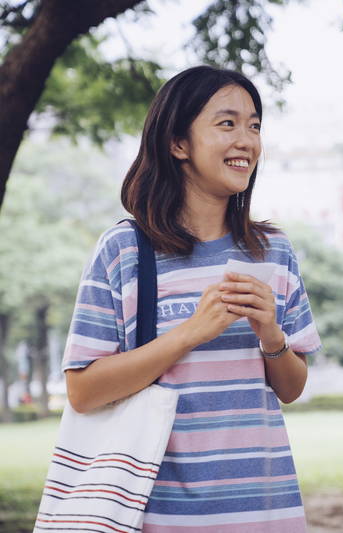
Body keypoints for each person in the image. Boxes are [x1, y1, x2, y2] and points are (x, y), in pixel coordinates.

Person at [63, 66, 321, 532]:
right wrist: (190, 334)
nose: (247, 140)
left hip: (266, 512)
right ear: (178, 143)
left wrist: (270, 334)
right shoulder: (123, 250)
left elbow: (292, 387)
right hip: (158, 516)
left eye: (254, 125)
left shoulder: (273, 251)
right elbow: (83, 391)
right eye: (227, 124)